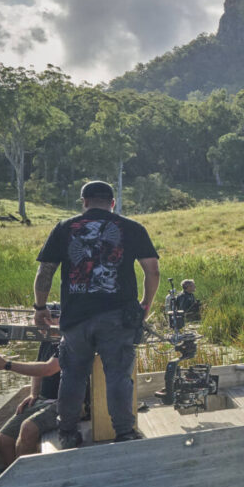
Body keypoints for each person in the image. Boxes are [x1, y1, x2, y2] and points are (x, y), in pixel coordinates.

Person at [33, 180, 159, 448]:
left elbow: (45, 271)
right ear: (113, 203)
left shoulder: (64, 228)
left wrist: (40, 307)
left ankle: (67, 433)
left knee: (73, 376)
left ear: (84, 202)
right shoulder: (132, 228)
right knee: (118, 375)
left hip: (75, 317)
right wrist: (145, 305)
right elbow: (153, 271)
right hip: (117, 317)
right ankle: (124, 433)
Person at [0, 344, 62, 466]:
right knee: (2, 440)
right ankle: (15, 479)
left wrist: (7, 364)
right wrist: (34, 393)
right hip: (43, 399)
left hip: (65, 401)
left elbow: (48, 369)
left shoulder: (69, 338)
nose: (39, 325)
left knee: (27, 428)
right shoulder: (46, 340)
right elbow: (38, 366)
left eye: (43, 323)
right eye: (37, 323)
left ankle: (27, 479)